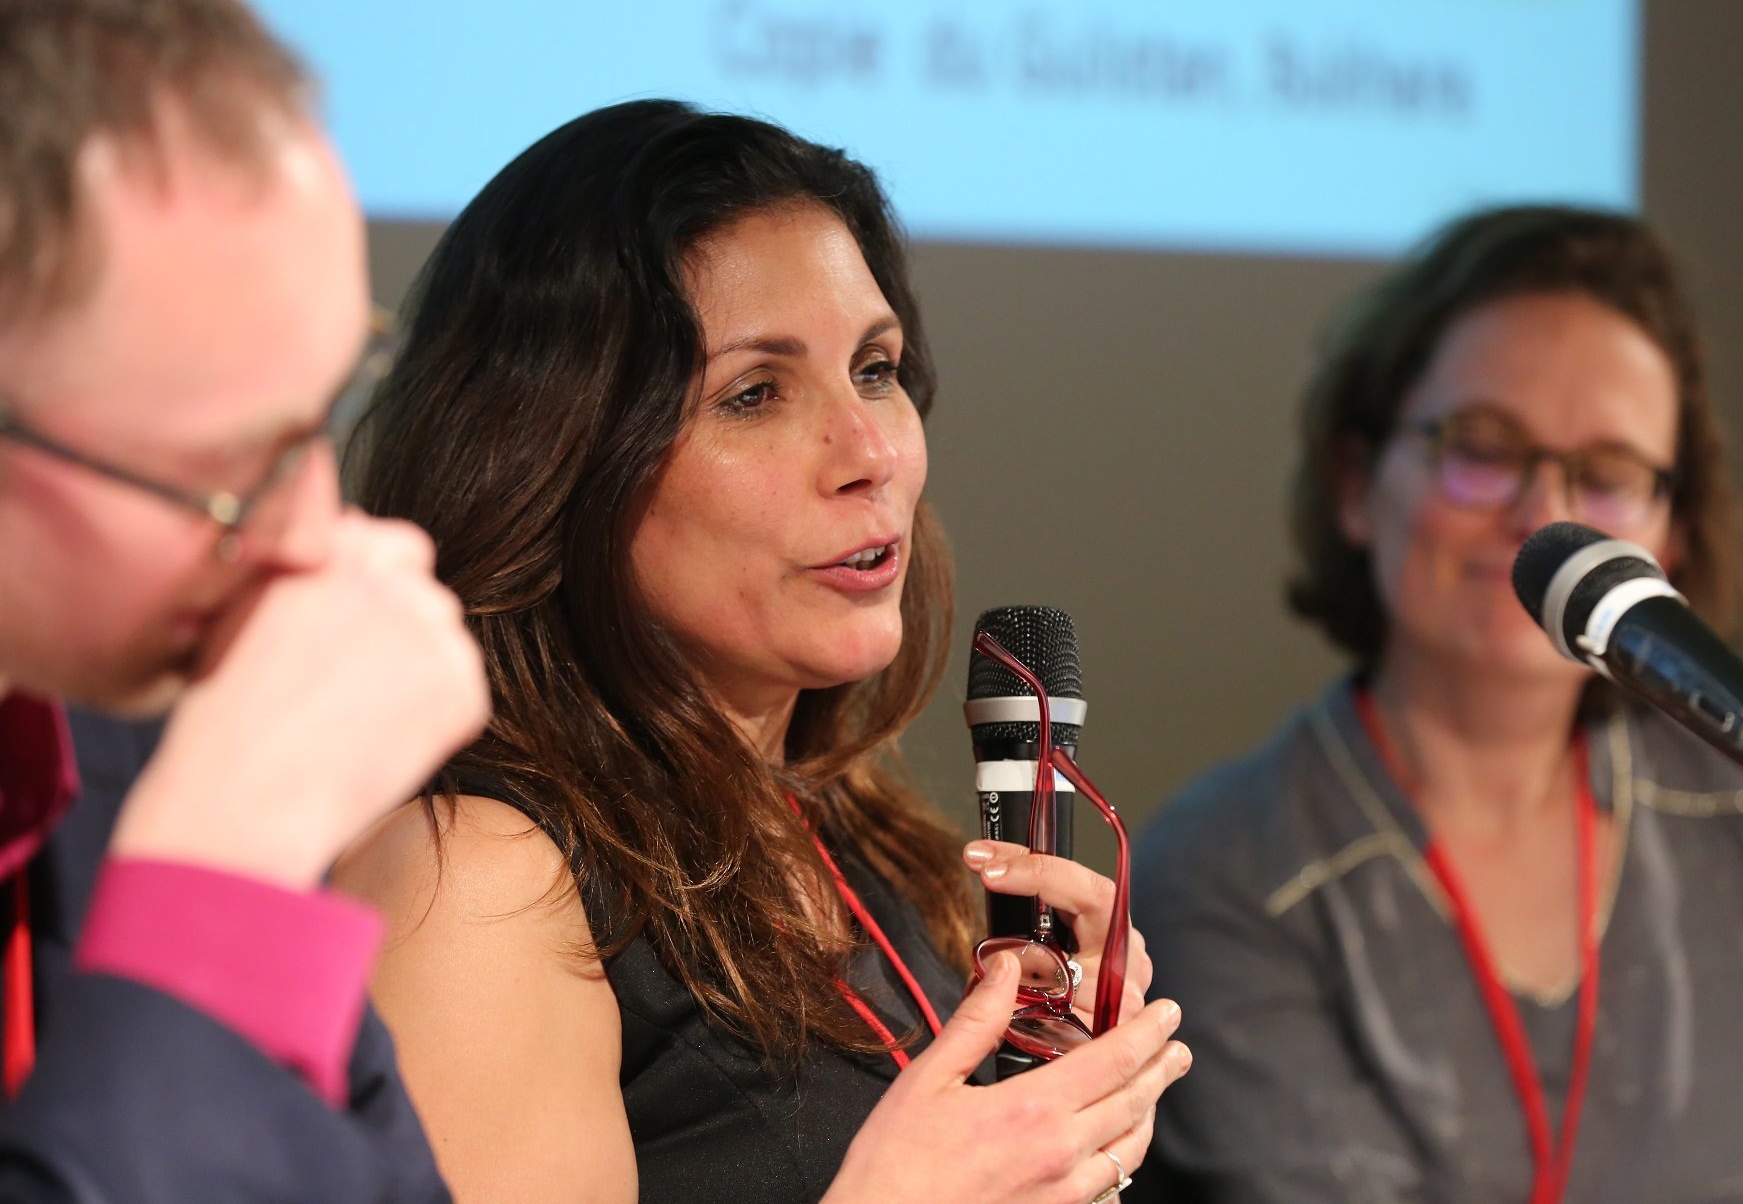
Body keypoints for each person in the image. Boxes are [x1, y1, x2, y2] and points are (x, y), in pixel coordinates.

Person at [332, 98, 1188, 1204]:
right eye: (754, 393)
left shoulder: (878, 847)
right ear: (555, 454)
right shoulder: (482, 879)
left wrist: (1068, 1128)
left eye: (876, 368)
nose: (871, 449)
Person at [1132, 205, 1743, 1202]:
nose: (1541, 516)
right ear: (1357, 481)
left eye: (1606, 475)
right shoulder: (1227, 872)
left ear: (1670, 538)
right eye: (1485, 446)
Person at [0, 0, 488, 1197]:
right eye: (234, 470)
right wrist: (205, 911)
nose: (313, 540)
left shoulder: (140, 738)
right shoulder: (212, 807)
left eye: (319, 422)